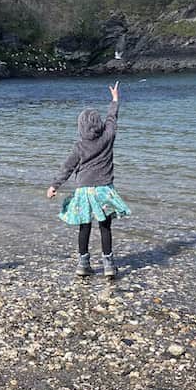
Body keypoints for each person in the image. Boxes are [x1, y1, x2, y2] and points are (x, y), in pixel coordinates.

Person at [47, 81, 131, 278]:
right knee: (105, 227)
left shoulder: (79, 146)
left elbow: (67, 167)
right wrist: (115, 99)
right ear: (99, 124)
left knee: (84, 226)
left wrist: (54, 185)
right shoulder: (108, 137)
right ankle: (109, 266)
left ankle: (83, 265)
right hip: (103, 189)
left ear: (81, 127)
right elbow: (112, 119)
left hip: (83, 190)